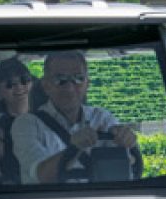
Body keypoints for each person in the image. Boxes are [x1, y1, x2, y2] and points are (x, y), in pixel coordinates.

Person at [12, 51, 139, 184]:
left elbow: (129, 167)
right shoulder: (26, 124)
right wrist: (74, 148)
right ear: (46, 85)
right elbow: (41, 175)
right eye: (60, 79)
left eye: (78, 78)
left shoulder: (102, 118)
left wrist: (128, 142)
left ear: (87, 84)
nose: (69, 88)